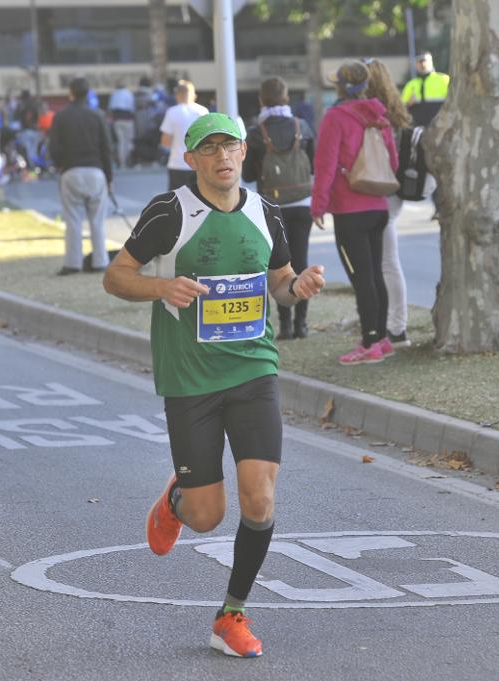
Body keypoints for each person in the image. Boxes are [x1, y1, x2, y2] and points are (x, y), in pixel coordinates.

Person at [103, 112, 324, 658]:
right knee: (207, 516)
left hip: (254, 370)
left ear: (244, 152)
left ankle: (231, 613)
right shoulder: (170, 212)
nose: (222, 157)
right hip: (191, 379)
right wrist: (161, 287)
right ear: (193, 159)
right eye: (210, 149)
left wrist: (300, 286)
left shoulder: (264, 212)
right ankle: (177, 500)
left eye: (230, 147)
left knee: (261, 498)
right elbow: (115, 276)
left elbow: (279, 284)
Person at [312, 60, 398, 365]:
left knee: (362, 278)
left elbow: (325, 165)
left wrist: (318, 204)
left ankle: (369, 342)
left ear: (339, 86)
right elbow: (393, 162)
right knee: (375, 273)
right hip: (378, 206)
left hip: (350, 210)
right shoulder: (378, 115)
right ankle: (383, 338)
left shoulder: (335, 117)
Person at [242, 76, 317, 340]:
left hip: (271, 207)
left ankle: (285, 325)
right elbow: (314, 165)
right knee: (301, 261)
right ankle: (302, 325)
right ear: (287, 98)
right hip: (302, 204)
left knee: (278, 266)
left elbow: (249, 175)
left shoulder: (255, 133)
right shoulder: (303, 126)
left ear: (262, 100)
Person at [365, 58, 413, 349]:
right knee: (384, 261)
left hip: (377, 191)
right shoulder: (396, 112)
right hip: (393, 191)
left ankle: (396, 327)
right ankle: (391, 325)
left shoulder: (373, 114)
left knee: (385, 262)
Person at [48, 77, 114, 276]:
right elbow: (107, 148)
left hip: (71, 170)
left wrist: (59, 164)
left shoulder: (61, 116)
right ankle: (100, 261)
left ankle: (73, 263)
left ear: (71, 93)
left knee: (73, 220)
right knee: (97, 220)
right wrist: (109, 177)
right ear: (88, 94)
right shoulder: (97, 115)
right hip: (96, 171)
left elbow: (54, 147)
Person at [160, 80, 209, 190]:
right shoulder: (203, 112)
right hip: (199, 164)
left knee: (176, 202)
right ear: (194, 95)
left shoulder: (172, 112)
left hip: (177, 163)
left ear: (177, 96)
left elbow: (165, 142)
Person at [401, 52, 449, 129]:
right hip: (418, 127)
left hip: (440, 126)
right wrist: (408, 104)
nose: (422, 64)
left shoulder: (444, 79)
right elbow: (401, 109)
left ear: (431, 62)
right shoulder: (411, 85)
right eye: (419, 62)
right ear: (415, 65)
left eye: (425, 60)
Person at [108, 80, 136, 168]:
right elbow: (132, 108)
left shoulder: (114, 94)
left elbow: (110, 108)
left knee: (121, 142)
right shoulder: (128, 93)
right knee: (128, 141)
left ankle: (122, 162)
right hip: (127, 119)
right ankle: (129, 160)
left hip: (117, 120)